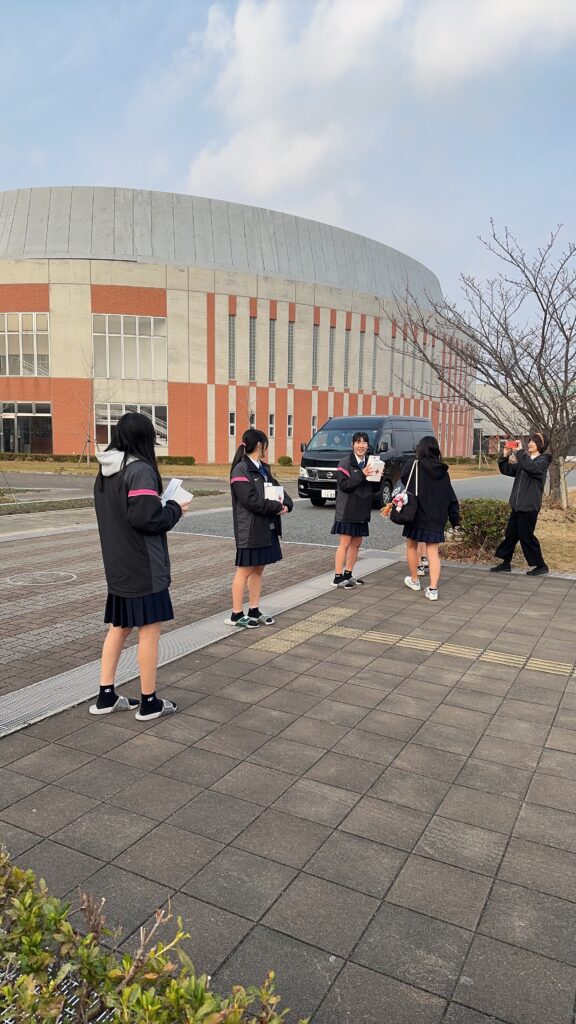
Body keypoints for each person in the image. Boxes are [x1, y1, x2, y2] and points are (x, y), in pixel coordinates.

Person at [91, 412, 190, 720]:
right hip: (144, 566)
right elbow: (147, 518)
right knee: (149, 633)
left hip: (117, 566)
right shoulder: (141, 470)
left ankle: (106, 696)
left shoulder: (106, 471)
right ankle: (149, 702)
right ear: (144, 439)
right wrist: (175, 507)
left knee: (119, 628)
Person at [226, 428, 293, 628]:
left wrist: (287, 504)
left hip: (266, 526)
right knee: (244, 570)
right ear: (259, 445)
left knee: (258, 569)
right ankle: (236, 614)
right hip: (250, 529)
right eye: (266, 444)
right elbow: (251, 501)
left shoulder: (263, 468)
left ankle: (254, 609)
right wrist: (276, 507)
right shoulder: (240, 470)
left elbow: (278, 490)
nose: (266, 448)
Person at [399, 435, 460, 601]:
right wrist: (455, 519)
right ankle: (433, 589)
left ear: (421, 449)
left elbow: (404, 478)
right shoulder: (443, 472)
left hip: (415, 514)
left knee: (411, 547)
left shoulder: (413, 465)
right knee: (433, 553)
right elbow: (451, 497)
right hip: (436, 517)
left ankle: (414, 580)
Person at [490, 433, 551, 576]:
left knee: (526, 536)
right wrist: (505, 456)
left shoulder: (543, 460)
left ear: (541, 445)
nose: (530, 443)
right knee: (511, 535)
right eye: (529, 441)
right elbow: (507, 470)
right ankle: (505, 563)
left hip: (529, 506)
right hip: (517, 505)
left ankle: (541, 565)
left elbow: (532, 468)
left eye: (533, 441)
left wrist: (520, 452)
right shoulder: (525, 461)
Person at [331, 431, 374, 588]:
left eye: (364, 442)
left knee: (357, 542)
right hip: (347, 509)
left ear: (368, 445)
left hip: (362, 508)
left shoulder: (371, 462)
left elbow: (373, 487)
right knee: (345, 542)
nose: (361, 446)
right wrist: (362, 474)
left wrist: (378, 476)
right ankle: (337, 577)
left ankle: (348, 574)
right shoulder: (345, 463)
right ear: (352, 445)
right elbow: (344, 485)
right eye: (358, 442)